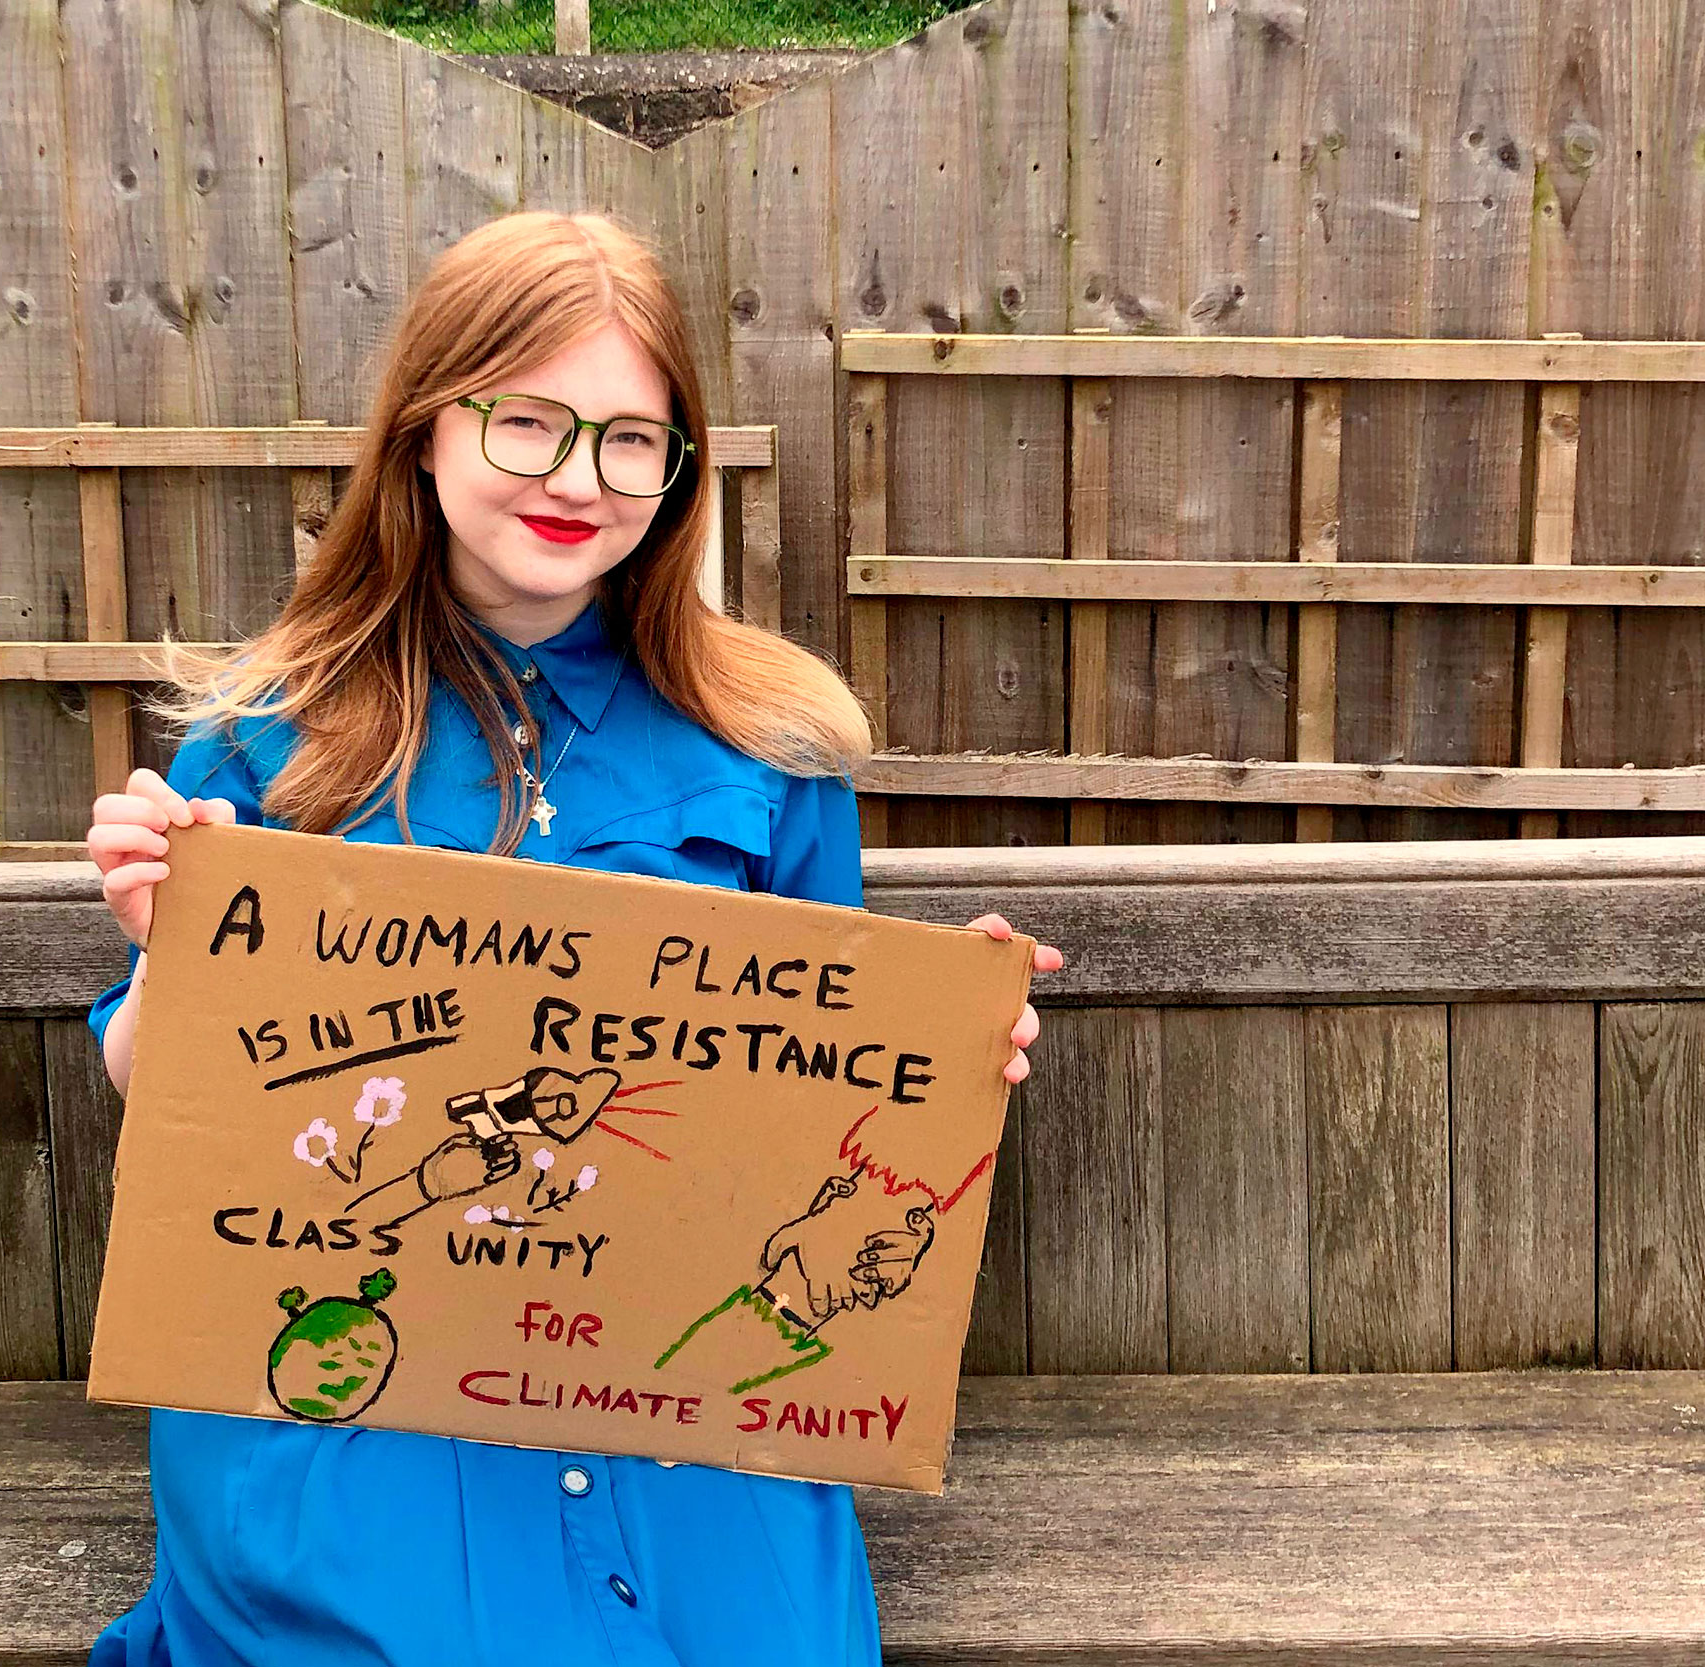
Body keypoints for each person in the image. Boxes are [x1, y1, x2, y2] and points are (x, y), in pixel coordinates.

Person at [81, 210, 1063, 1667]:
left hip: (676, 1398)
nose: (578, 481)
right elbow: (160, 1101)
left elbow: (810, 1125)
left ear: (680, 471)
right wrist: (176, 951)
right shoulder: (265, 737)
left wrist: (938, 1053)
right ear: (424, 430)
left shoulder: (773, 744)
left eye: (629, 440)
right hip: (370, 1393)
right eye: (526, 423)